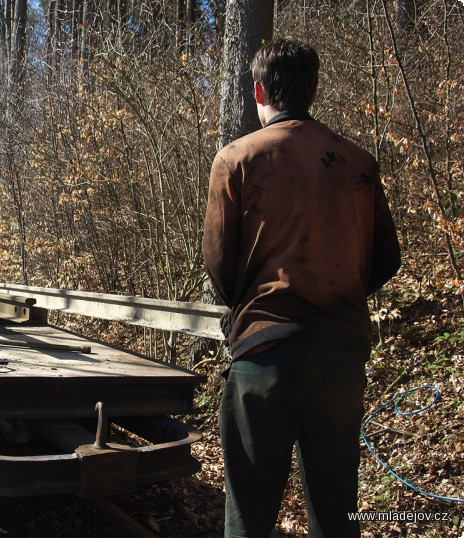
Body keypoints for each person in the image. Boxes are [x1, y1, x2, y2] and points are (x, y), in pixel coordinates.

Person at [202, 38, 401, 537]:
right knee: (336, 516)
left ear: (259, 89)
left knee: (248, 516)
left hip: (263, 353)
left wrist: (251, 303)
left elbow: (220, 266)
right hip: (339, 358)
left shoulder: (237, 159)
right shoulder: (359, 163)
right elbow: (387, 259)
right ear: (313, 91)